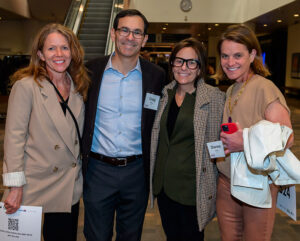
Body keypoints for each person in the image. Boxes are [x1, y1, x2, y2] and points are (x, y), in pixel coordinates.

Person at [82, 9, 165, 241]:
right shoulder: (91, 71)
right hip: (98, 170)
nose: (130, 37)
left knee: (131, 236)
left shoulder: (156, 76)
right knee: (96, 236)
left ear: (145, 39)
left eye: (137, 32)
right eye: (125, 30)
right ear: (113, 33)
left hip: (136, 171)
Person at [2, 23, 90, 241]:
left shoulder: (79, 87)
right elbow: (14, 139)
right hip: (33, 184)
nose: (59, 54)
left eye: (64, 48)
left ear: (73, 52)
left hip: (67, 184)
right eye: (51, 49)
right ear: (40, 54)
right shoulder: (27, 86)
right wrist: (14, 186)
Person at [215, 24, 294, 241]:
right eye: (225, 56)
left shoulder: (264, 87)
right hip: (227, 182)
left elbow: (286, 136)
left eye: (238, 55)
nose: (230, 62)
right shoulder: (232, 88)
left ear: (252, 55)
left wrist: (245, 142)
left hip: (256, 184)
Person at [150, 38, 225, 241]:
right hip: (164, 186)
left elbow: (216, 144)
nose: (184, 67)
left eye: (192, 62)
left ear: (200, 68)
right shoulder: (165, 93)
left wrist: (216, 181)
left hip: (192, 188)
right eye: (179, 61)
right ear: (172, 63)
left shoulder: (213, 97)